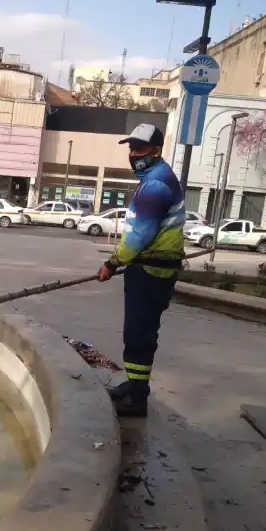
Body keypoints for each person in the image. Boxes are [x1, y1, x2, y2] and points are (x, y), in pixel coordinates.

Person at [97, 123, 185, 418]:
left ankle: (137, 398)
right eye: (132, 149)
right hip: (150, 267)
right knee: (138, 332)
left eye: (140, 149)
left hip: (151, 270)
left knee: (139, 334)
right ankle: (134, 385)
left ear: (157, 150)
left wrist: (112, 263)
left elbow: (139, 235)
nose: (134, 155)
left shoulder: (156, 185)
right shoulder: (155, 178)